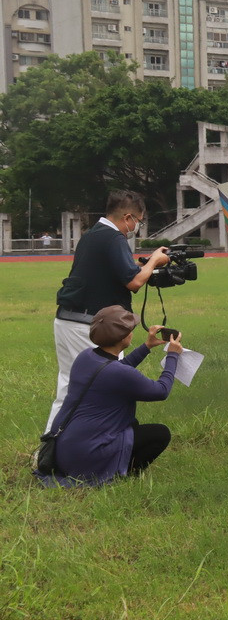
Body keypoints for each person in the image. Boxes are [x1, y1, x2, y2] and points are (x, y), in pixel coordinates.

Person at [48, 190, 171, 433]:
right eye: (139, 221)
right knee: (109, 385)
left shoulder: (92, 235)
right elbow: (134, 282)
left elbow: (118, 270)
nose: (137, 226)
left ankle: (50, 446)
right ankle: (101, 444)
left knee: (69, 386)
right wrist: (155, 261)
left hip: (68, 319)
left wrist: (142, 265)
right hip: (90, 325)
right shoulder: (114, 238)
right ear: (128, 218)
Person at [41, 305, 182, 487]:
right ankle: (118, 474)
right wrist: (173, 356)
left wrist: (146, 347)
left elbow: (117, 369)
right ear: (124, 337)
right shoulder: (117, 373)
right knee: (160, 434)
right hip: (87, 455)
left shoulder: (86, 356)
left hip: (65, 449)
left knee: (132, 425)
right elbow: (161, 391)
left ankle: (111, 463)